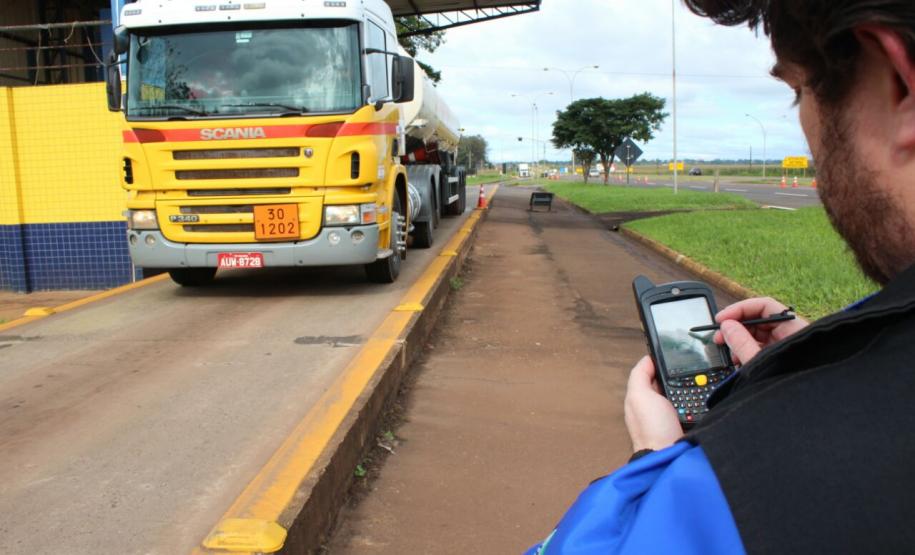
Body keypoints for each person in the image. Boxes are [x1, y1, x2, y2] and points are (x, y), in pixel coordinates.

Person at [527, 1, 915, 553]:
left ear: (899, 81)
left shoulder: (728, 489)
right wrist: (823, 366)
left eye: (798, 92)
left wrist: (655, 466)